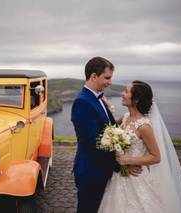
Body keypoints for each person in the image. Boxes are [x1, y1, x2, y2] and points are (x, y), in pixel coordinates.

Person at [98, 81, 181, 213]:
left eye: (126, 92)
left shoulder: (144, 126)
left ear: (136, 100)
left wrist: (128, 161)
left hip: (136, 177)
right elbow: (109, 129)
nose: (122, 94)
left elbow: (156, 157)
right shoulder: (126, 117)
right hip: (119, 177)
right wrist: (106, 106)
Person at [71, 56, 122, 213]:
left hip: (100, 170)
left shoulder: (98, 97)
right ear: (94, 76)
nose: (110, 82)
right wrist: (123, 158)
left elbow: (105, 127)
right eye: (107, 77)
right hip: (91, 172)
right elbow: (94, 141)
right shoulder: (82, 102)